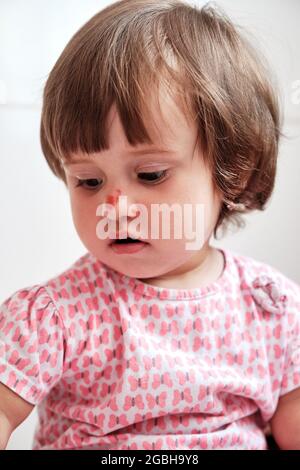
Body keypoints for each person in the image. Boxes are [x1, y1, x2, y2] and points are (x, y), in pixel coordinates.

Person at [0, 0, 299, 451]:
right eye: (88, 180)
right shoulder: (57, 317)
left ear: (231, 172)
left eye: (150, 175)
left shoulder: (271, 308)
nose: (115, 207)